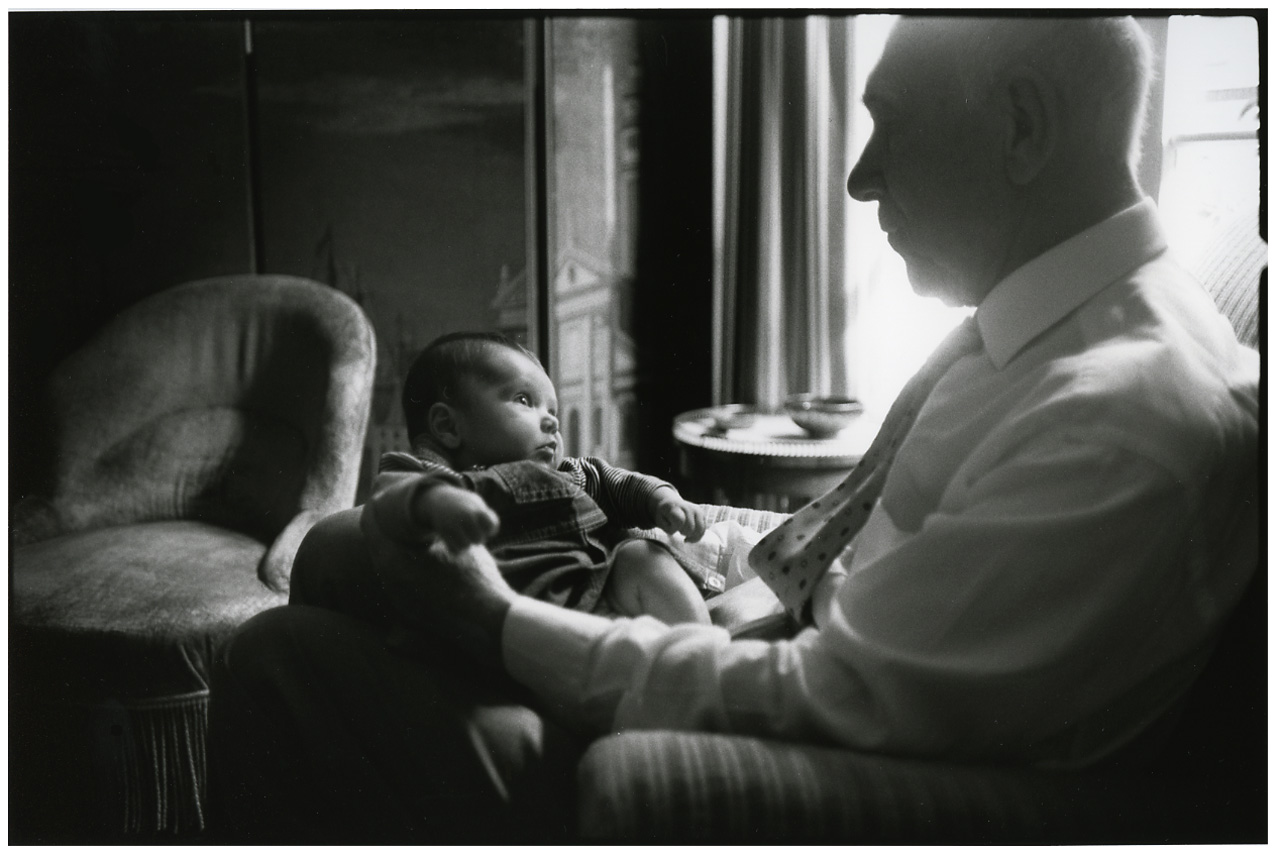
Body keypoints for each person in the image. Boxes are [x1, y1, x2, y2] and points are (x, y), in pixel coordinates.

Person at [208, 16, 1259, 843]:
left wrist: (494, 622)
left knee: (281, 651)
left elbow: (831, 696)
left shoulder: (1120, 417)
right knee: (342, 572)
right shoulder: (1048, 331)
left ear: (1020, 126)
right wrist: (704, 536)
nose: (859, 176)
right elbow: (860, 555)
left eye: (888, 121)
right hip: (756, 638)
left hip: (787, 764)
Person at [366, 331, 711, 626]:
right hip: (514, 625)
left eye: (552, 410)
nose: (551, 422)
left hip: (599, 592)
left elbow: (620, 484)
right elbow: (390, 495)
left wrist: (663, 499)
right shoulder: (439, 478)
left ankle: (704, 651)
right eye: (523, 400)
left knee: (641, 556)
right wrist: (438, 502)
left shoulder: (570, 474)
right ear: (448, 427)